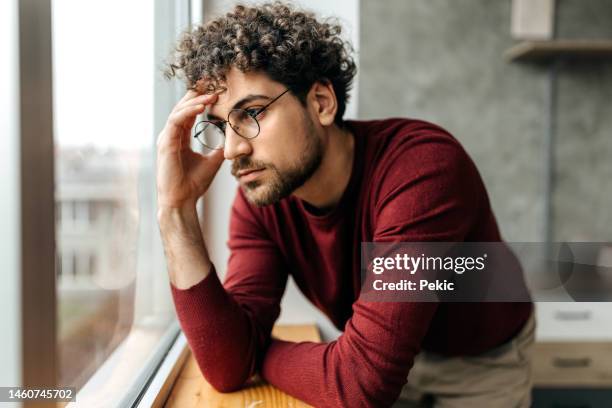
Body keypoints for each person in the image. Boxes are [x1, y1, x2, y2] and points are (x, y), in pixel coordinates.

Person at [156, 2, 534, 407]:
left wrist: (256, 353)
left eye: (251, 113)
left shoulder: (422, 169)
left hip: (480, 363)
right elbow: (228, 367)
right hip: (381, 357)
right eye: (218, 126)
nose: (232, 150)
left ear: (321, 102)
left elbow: (358, 386)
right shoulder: (264, 199)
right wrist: (176, 212)